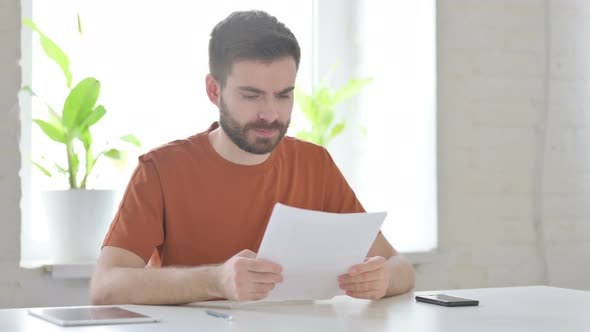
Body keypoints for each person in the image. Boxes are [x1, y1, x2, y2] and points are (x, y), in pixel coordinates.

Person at [90, 10, 415, 305]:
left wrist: (382, 279)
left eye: (283, 95)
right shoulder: (161, 170)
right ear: (214, 91)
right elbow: (106, 286)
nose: (270, 113)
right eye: (251, 95)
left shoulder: (315, 164)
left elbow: (399, 267)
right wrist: (216, 280)